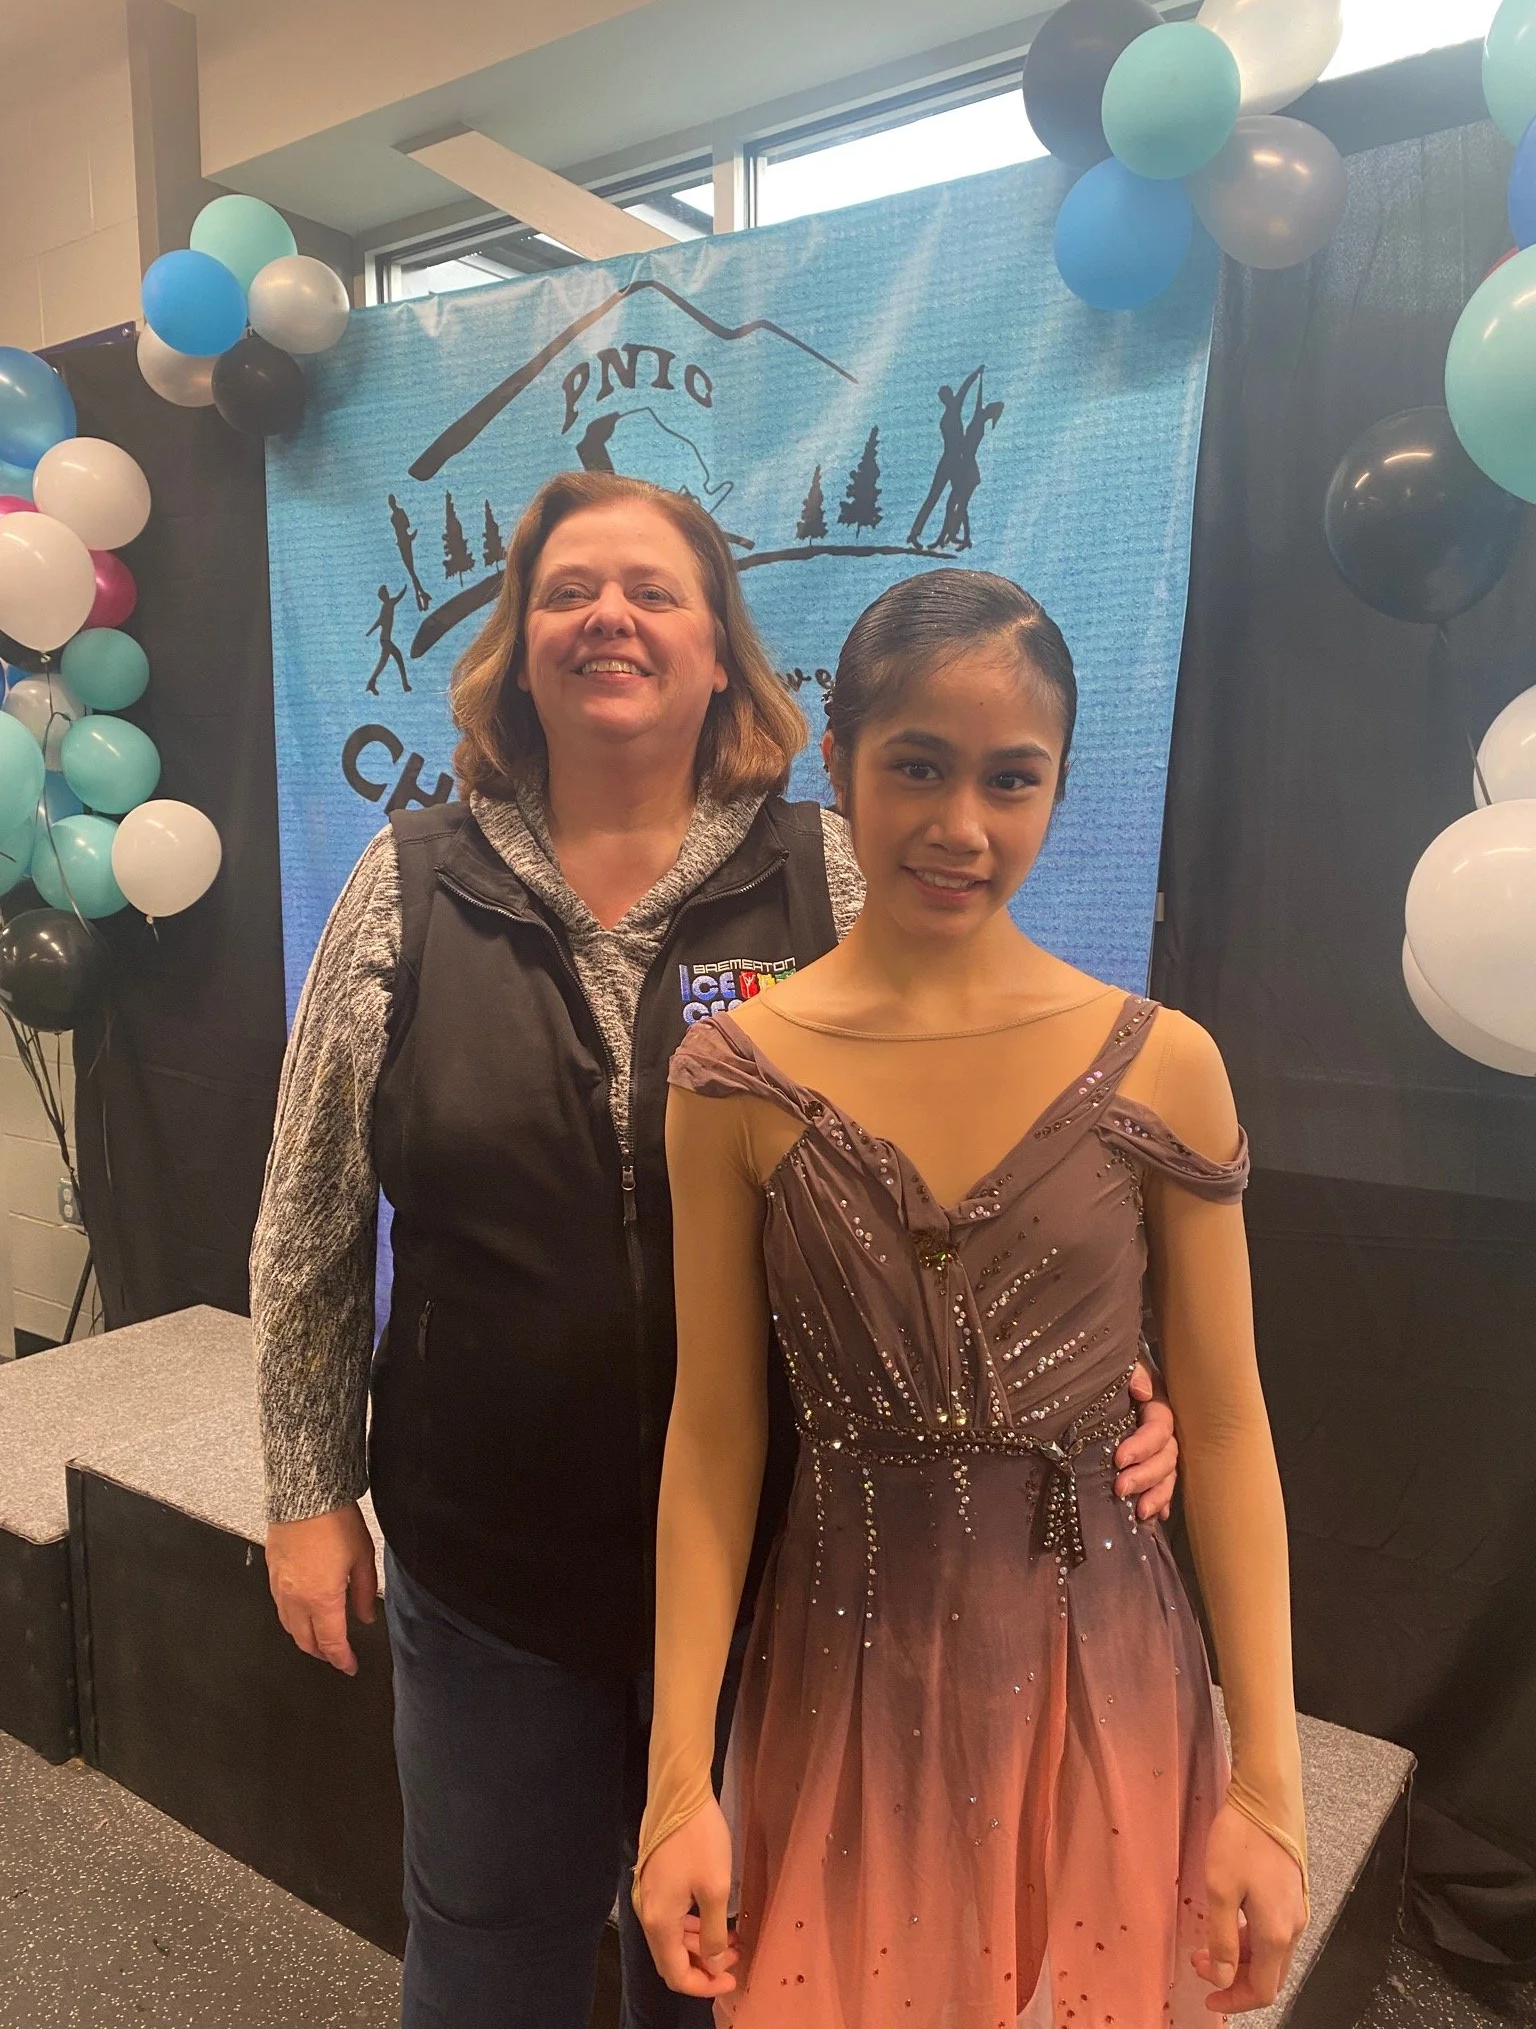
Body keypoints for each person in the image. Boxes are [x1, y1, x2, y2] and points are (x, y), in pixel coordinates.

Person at [251, 476, 1181, 2029]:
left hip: (791, 1564)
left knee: (743, 1965)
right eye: (569, 590)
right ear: (518, 644)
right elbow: (309, 1214)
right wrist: (302, 1489)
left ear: (722, 652)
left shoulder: (829, 875)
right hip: (487, 1560)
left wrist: (1102, 1366)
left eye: (654, 590)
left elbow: (995, 1136)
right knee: (486, 1951)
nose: (608, 615)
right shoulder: (407, 887)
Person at [634, 569, 1309, 2026]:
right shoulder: (732, 1081)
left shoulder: (1163, 1064)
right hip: (839, 1680)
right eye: (917, 768)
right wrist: (677, 1783)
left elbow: (1235, 1433)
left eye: (1012, 780)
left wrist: (1272, 1787)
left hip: (1106, 1673)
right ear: (837, 762)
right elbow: (714, 1441)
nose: (960, 826)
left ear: (1060, 786)